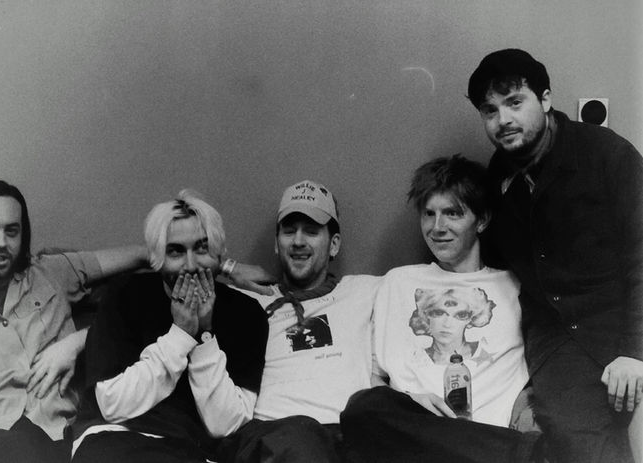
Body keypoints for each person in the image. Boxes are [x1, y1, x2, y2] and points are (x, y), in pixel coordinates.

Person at [468, 48, 643, 463]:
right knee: (574, 435)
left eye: (515, 102)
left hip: (620, 320)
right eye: (490, 110)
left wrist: (635, 350)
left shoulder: (606, 154)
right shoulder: (498, 175)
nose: (503, 120)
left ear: (545, 99)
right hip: (555, 337)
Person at [341, 155, 540, 463]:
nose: (437, 227)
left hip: (483, 438)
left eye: (452, 213)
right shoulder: (397, 282)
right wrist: (409, 401)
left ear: (482, 220)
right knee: (362, 406)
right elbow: (372, 376)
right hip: (412, 443)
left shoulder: (513, 287)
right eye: (428, 214)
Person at [0, 180, 148, 463]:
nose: (1, 242)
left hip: (54, 439)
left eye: (12, 231)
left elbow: (144, 256)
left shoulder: (51, 273)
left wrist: (77, 342)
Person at [71, 190, 269, 463]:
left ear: (219, 254)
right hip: (115, 439)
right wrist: (181, 335)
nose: (191, 265)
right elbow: (112, 404)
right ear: (157, 259)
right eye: (176, 251)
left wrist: (204, 337)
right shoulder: (124, 295)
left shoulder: (246, 312)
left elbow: (224, 424)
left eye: (202, 248)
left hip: (193, 452)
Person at [219, 180, 380, 463]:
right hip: (275, 434)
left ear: (334, 244)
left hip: (347, 439)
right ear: (276, 243)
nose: (298, 241)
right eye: (289, 231)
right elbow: (170, 264)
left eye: (311, 231)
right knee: (302, 438)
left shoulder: (367, 291)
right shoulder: (250, 299)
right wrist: (225, 266)